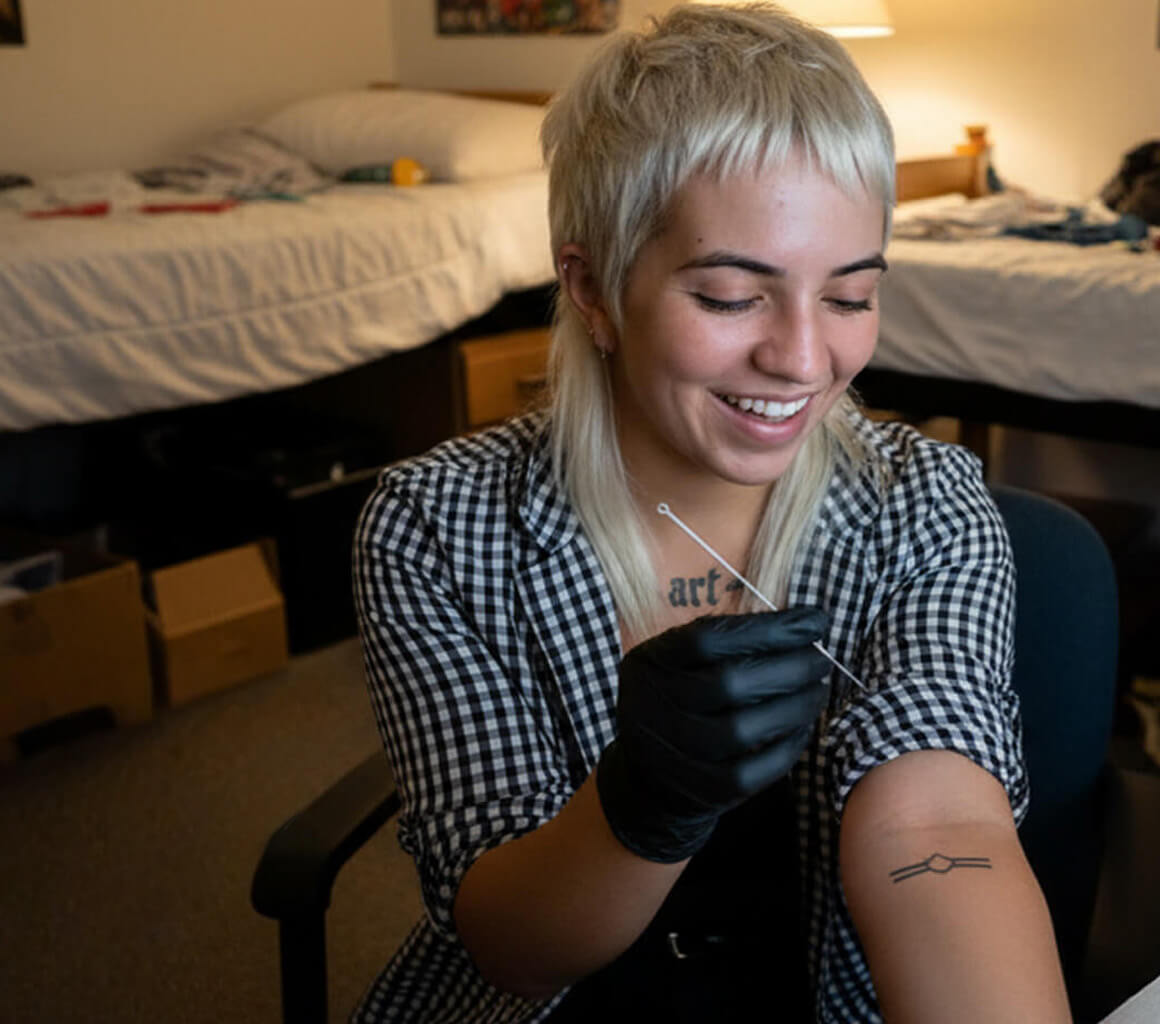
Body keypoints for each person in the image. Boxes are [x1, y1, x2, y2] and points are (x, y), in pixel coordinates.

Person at [351, 4, 1070, 1021]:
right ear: (592, 287)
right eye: (734, 295)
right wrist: (638, 805)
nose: (805, 359)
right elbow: (511, 954)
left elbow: (934, 831)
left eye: (851, 296)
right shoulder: (439, 524)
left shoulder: (923, 502)